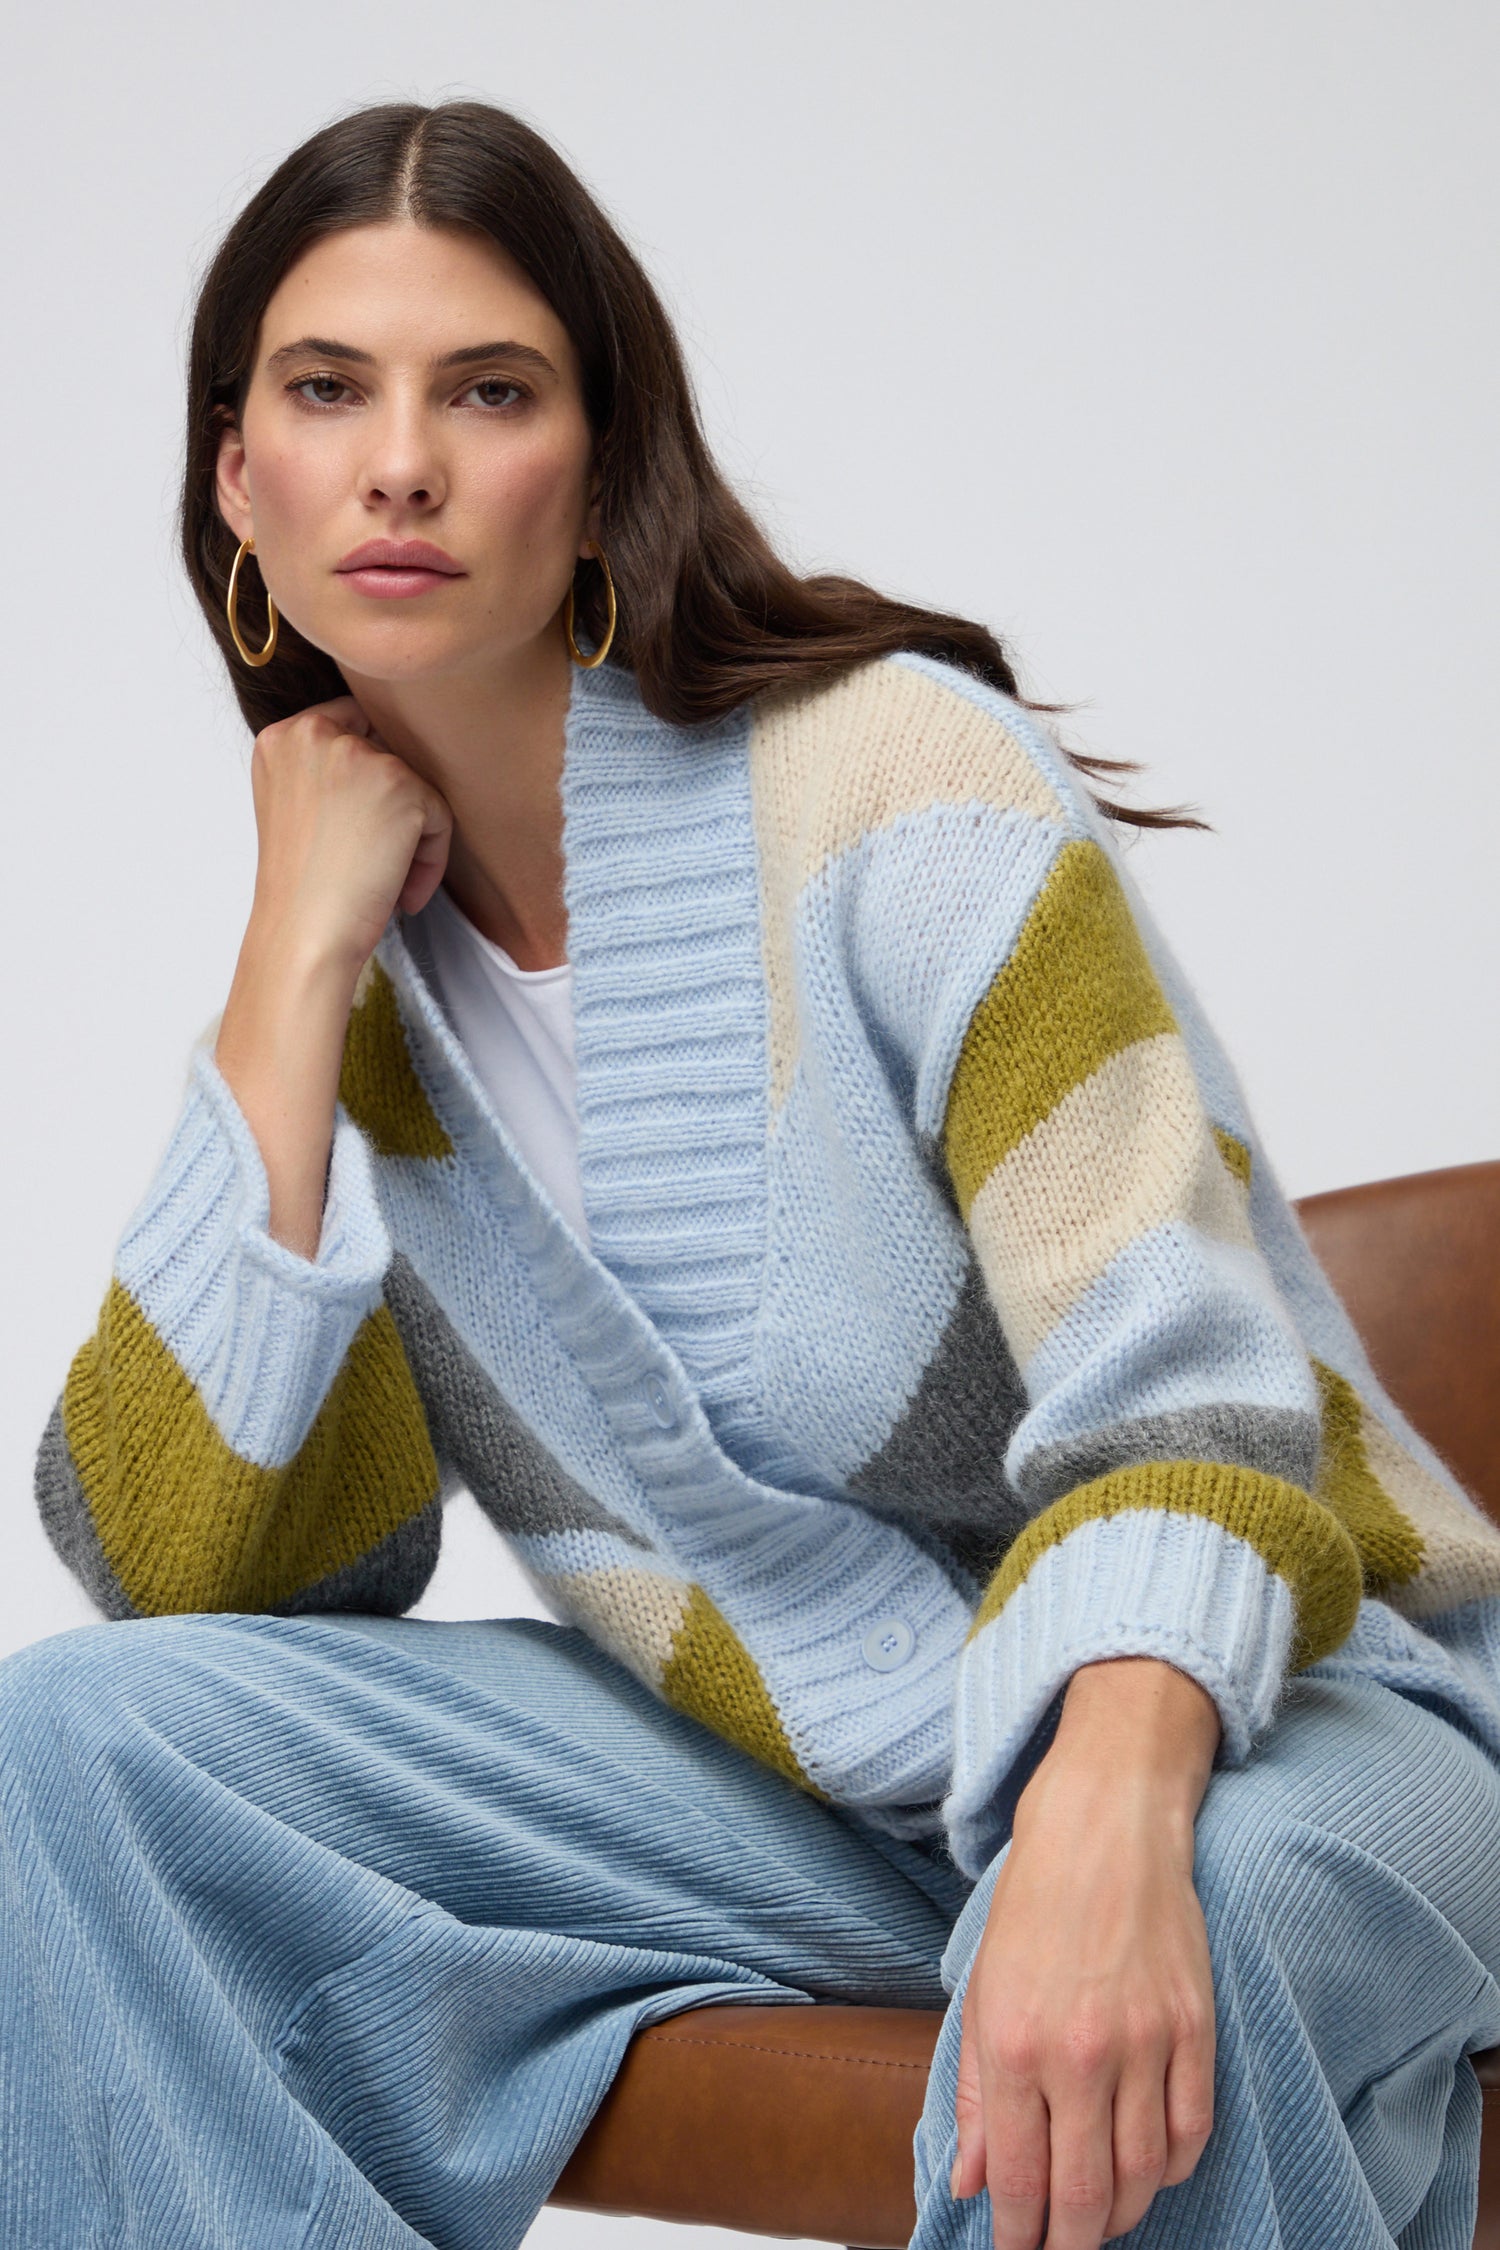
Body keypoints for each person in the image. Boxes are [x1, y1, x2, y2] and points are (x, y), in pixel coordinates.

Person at [8, 97, 1500, 2250]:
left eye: (489, 390)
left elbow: (1199, 1412)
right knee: (78, 1757)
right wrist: (290, 964)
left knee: (1204, 1918)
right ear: (237, 477)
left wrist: (1104, 1801)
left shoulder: (897, 788)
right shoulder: (356, 969)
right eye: (327, 391)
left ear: (597, 464)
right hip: (816, 1774)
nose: (400, 460)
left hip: (1284, 1720)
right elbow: (189, 1568)